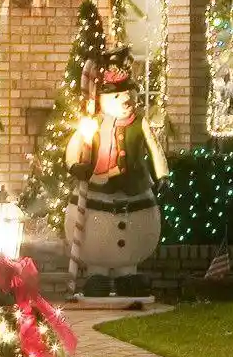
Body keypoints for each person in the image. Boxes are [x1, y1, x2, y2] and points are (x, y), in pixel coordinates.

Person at [65, 47, 167, 297]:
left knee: (133, 232)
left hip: (135, 189)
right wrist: (75, 164)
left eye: (127, 93)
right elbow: (75, 145)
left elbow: (154, 148)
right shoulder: (93, 123)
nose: (125, 100)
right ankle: (96, 273)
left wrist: (161, 174)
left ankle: (127, 274)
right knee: (97, 233)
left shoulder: (139, 122)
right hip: (100, 188)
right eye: (117, 95)